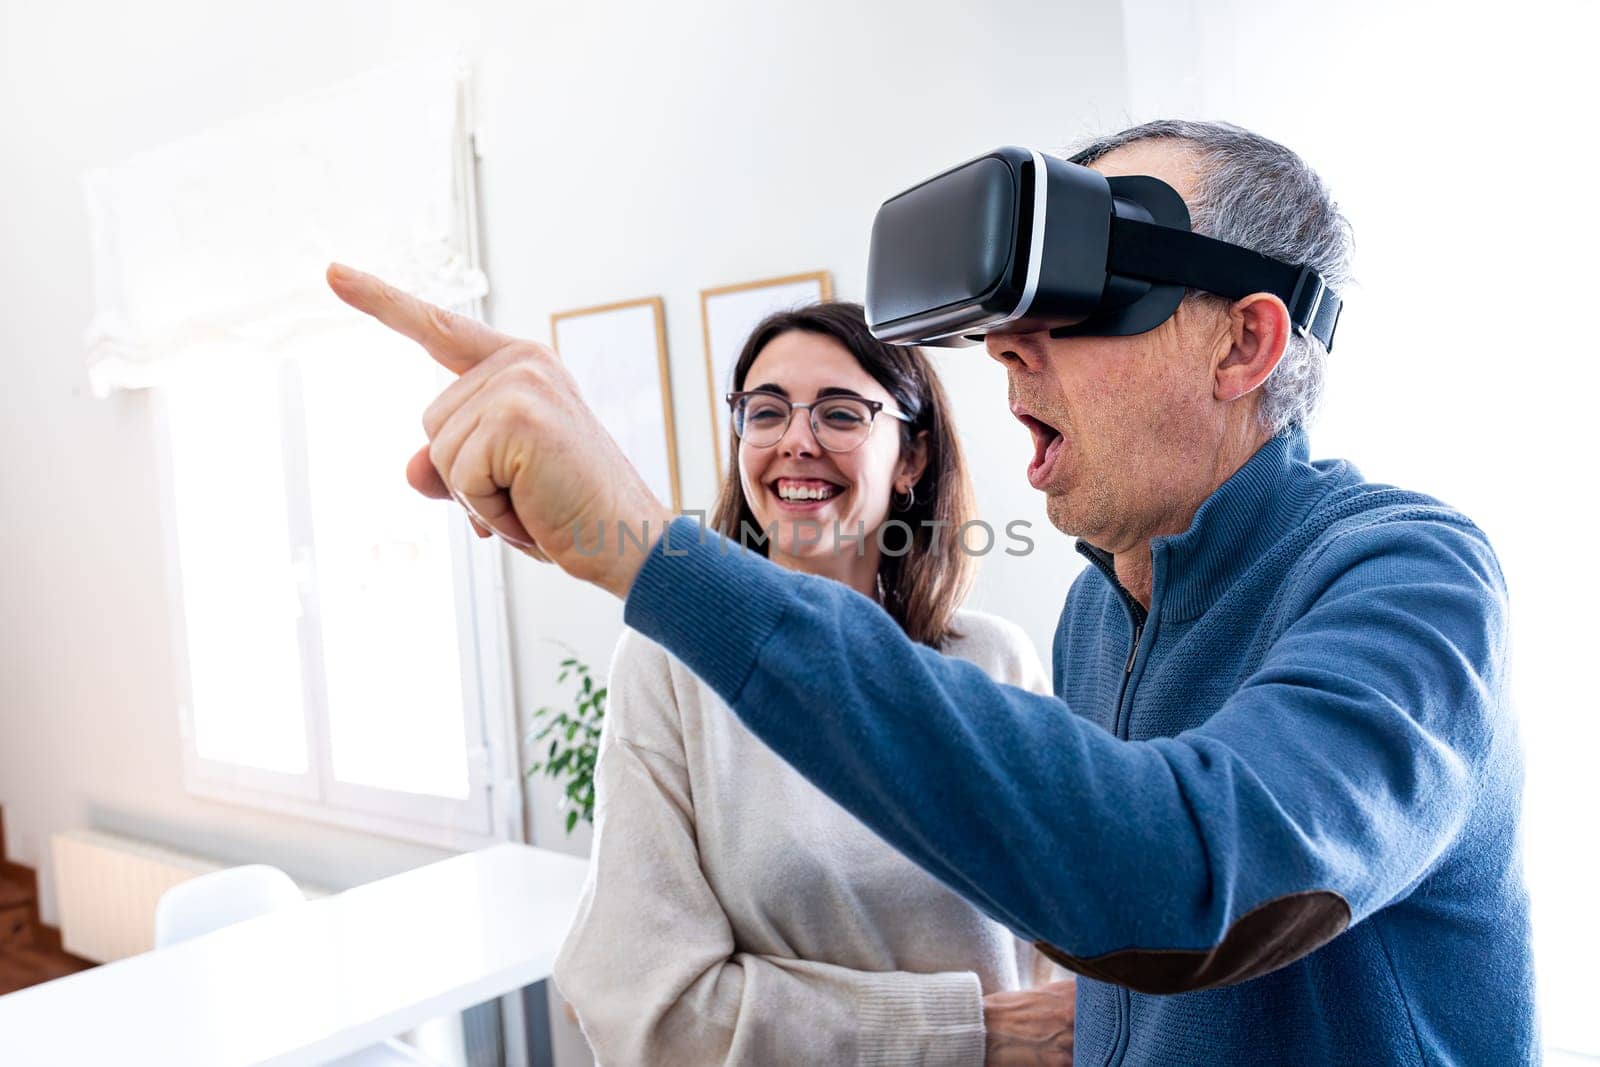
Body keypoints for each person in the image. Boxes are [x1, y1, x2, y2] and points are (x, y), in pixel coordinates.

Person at [326, 119, 1536, 1064]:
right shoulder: (1097, 610)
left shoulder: (1407, 576)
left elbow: (1172, 884)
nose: (1012, 346)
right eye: (1011, 315)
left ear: (1242, 344)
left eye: (1082, 299)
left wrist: (653, 552)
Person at [552, 302, 1068, 1065]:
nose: (796, 440)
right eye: (764, 412)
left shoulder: (996, 661)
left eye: (840, 412)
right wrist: (981, 1034)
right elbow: (650, 1007)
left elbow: (1070, 956)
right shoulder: (669, 663)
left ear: (912, 459)